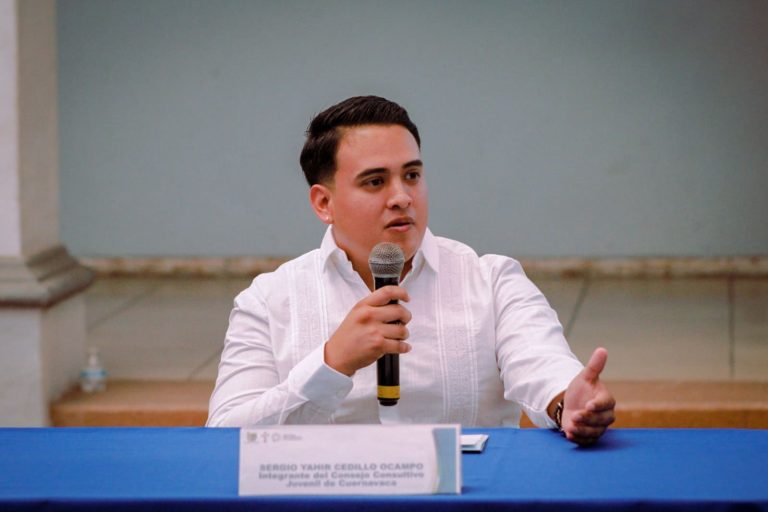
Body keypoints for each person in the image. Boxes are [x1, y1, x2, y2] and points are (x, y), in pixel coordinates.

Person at [207, 96, 615, 445]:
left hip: (465, 497)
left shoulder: (491, 281)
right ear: (323, 203)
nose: (402, 197)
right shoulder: (268, 301)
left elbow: (543, 366)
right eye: (375, 182)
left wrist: (568, 404)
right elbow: (224, 436)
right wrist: (331, 364)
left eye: (412, 175)